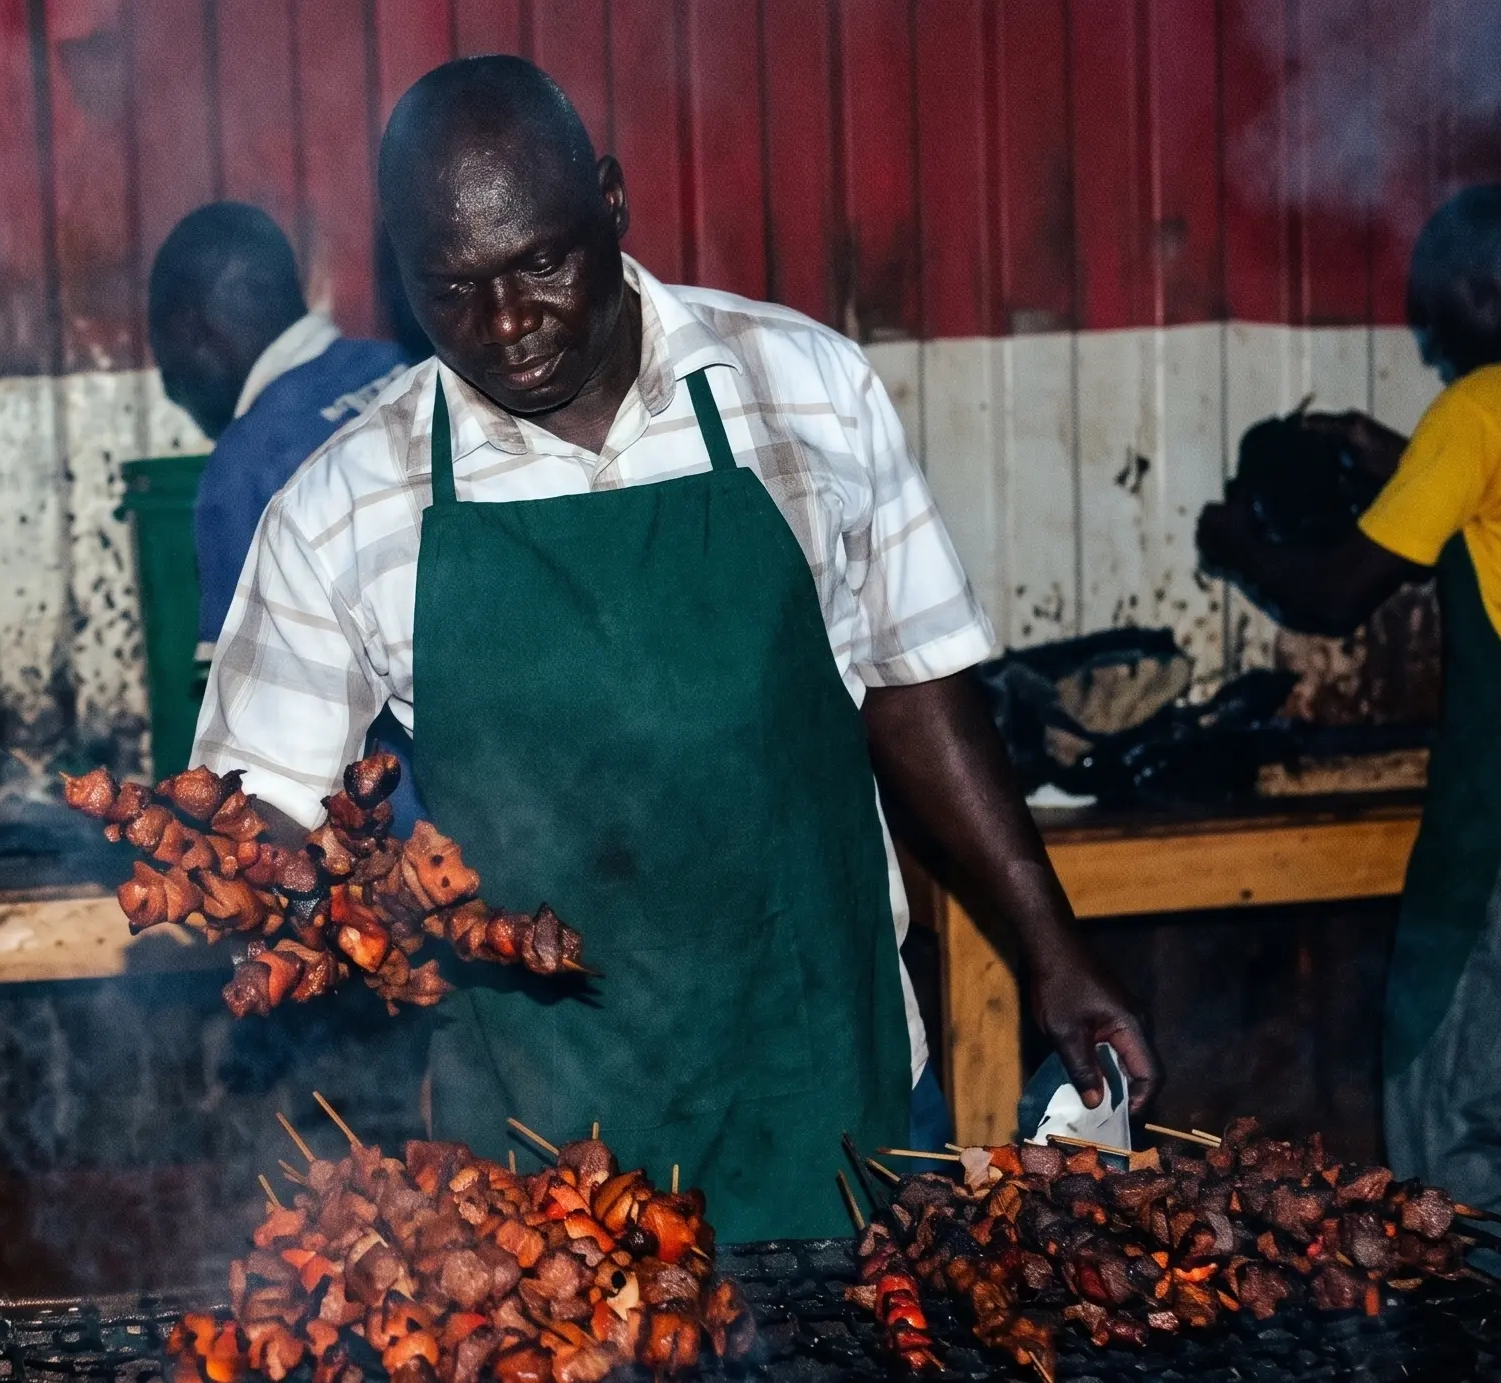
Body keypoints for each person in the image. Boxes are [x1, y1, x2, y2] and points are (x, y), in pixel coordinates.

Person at [192, 57, 1156, 1241]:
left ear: (610, 202)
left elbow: (916, 686)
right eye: (455, 290)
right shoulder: (344, 507)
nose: (508, 325)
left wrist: (1054, 954)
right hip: (544, 1162)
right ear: (401, 278)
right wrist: (271, 888)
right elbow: (255, 817)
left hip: (829, 1094)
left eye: (542, 262)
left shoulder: (802, 390)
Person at [1198, 184, 1501, 1211]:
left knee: (1450, 1121)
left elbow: (1337, 596)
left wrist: (1235, 545)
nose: (1426, 340)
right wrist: (1391, 453)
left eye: (1432, 311)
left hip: (1492, 837)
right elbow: (1472, 512)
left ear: (1482, 290)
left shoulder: (1475, 411)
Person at [147, 204, 424, 826]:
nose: (176, 390)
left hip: (394, 844)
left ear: (193, 330)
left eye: (169, 368)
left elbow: (253, 740)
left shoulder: (245, 467)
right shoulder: (404, 369)